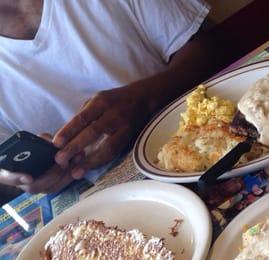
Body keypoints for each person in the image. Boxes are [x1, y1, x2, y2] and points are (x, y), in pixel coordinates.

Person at [0, 0, 216, 195]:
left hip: (202, 142)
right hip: (107, 201)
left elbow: (207, 46)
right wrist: (27, 178)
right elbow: (7, 179)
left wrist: (146, 98)